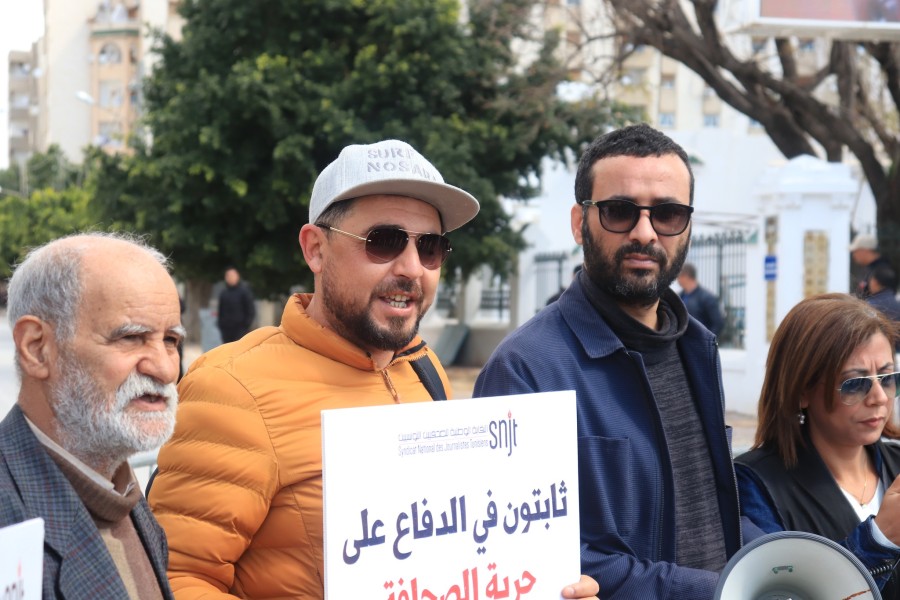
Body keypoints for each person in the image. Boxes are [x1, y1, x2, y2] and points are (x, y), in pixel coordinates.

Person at [148, 139, 599, 600]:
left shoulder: (423, 367)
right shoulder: (232, 388)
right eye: (384, 241)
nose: (412, 268)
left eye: (430, 247)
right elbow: (172, 579)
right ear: (315, 249)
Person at [474, 123, 758, 598]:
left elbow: (707, 509)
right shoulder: (526, 369)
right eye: (620, 212)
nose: (645, 233)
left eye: (668, 213)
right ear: (578, 222)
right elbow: (521, 550)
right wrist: (711, 591)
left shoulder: (696, 347)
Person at [1, 232, 183, 598]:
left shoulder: (119, 488)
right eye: (131, 337)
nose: (165, 369)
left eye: (171, 340)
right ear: (37, 348)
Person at [735, 293, 900, 596]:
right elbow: (784, 591)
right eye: (856, 383)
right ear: (801, 390)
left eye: (888, 379)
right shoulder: (757, 484)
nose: (879, 397)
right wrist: (879, 540)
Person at [677, 262, 724, 335]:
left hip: (698, 340)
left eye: (678, 276)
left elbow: (718, 323)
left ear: (686, 276)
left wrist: (707, 339)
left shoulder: (707, 298)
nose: (677, 280)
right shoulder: (679, 296)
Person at [216, 266, 256, 343]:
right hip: (226, 330)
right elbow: (220, 311)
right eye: (228, 276)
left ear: (237, 276)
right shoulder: (224, 293)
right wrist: (221, 325)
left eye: (232, 275)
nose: (230, 277)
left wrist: (245, 325)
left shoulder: (244, 292)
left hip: (240, 329)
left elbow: (251, 310)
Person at [851, 233, 894, 298]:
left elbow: (885, 300)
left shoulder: (882, 271)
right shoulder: (868, 269)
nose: (854, 255)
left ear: (864, 250)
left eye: (855, 251)